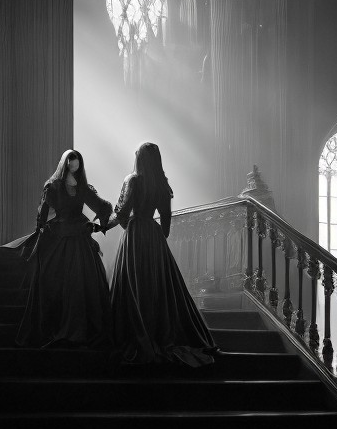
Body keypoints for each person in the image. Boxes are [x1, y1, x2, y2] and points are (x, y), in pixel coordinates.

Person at [109, 142, 218, 366]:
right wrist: (157, 237)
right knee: (157, 286)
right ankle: (159, 330)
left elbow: (122, 212)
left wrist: (130, 229)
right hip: (154, 236)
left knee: (134, 285)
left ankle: (132, 331)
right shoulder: (162, 184)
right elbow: (166, 219)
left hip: (136, 233)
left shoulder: (133, 180)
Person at [15, 149, 115, 348]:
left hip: (79, 238)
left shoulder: (83, 187)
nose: (73, 162)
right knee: (57, 281)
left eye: (76, 158)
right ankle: (59, 326)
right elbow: (42, 215)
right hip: (60, 237)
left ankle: (84, 328)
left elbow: (102, 206)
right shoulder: (53, 186)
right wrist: (41, 233)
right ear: (64, 162)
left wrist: (99, 225)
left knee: (83, 282)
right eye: (70, 158)